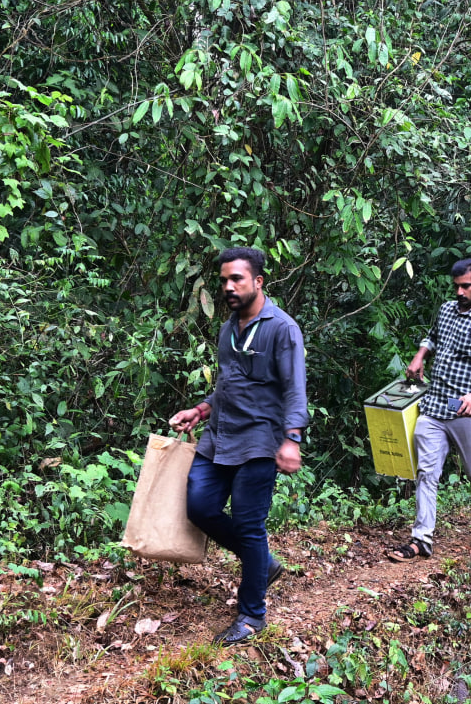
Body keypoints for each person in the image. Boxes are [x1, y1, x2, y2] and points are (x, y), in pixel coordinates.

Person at [168, 247, 307, 645]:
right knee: (199, 507)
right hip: (219, 437)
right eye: (224, 280)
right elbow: (228, 385)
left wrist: (292, 439)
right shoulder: (229, 327)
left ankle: (252, 615)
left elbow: (295, 390)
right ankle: (263, 563)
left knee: (248, 525)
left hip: (261, 440)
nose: (228, 287)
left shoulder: (282, 329)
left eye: (237, 280)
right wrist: (200, 409)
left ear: (258, 282)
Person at [388, 258, 471, 562]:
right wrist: (420, 356)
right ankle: (421, 540)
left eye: (466, 286)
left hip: (465, 407)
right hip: (435, 402)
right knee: (427, 473)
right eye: (456, 286)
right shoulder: (446, 310)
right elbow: (433, 336)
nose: (460, 291)